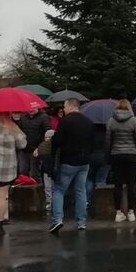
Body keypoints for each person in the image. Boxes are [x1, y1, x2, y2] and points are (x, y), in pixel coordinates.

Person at [49, 98, 93, 234]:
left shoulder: (65, 121)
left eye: (64, 106)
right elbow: (92, 142)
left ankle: (57, 219)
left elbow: (58, 140)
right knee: (80, 190)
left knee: (59, 190)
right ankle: (81, 222)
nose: (63, 109)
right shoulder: (88, 121)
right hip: (84, 161)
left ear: (70, 106)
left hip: (68, 161)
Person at [106, 99, 136, 222]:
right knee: (132, 184)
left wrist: (108, 157)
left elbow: (108, 141)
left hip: (116, 154)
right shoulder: (134, 120)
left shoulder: (111, 121)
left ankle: (118, 212)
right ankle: (131, 212)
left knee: (118, 185)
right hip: (132, 154)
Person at [17, 107, 48, 178]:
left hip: (36, 150)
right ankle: (24, 184)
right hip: (24, 148)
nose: (30, 110)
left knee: (34, 173)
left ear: (38, 107)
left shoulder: (44, 117)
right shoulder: (23, 116)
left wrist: (40, 147)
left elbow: (47, 134)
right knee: (22, 171)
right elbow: (19, 131)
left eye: (33, 108)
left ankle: (35, 184)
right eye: (29, 108)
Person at [86, 122, 110, 209]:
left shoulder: (90, 133)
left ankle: (87, 201)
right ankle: (100, 203)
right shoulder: (107, 134)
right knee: (101, 180)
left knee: (89, 179)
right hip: (105, 159)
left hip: (91, 158)